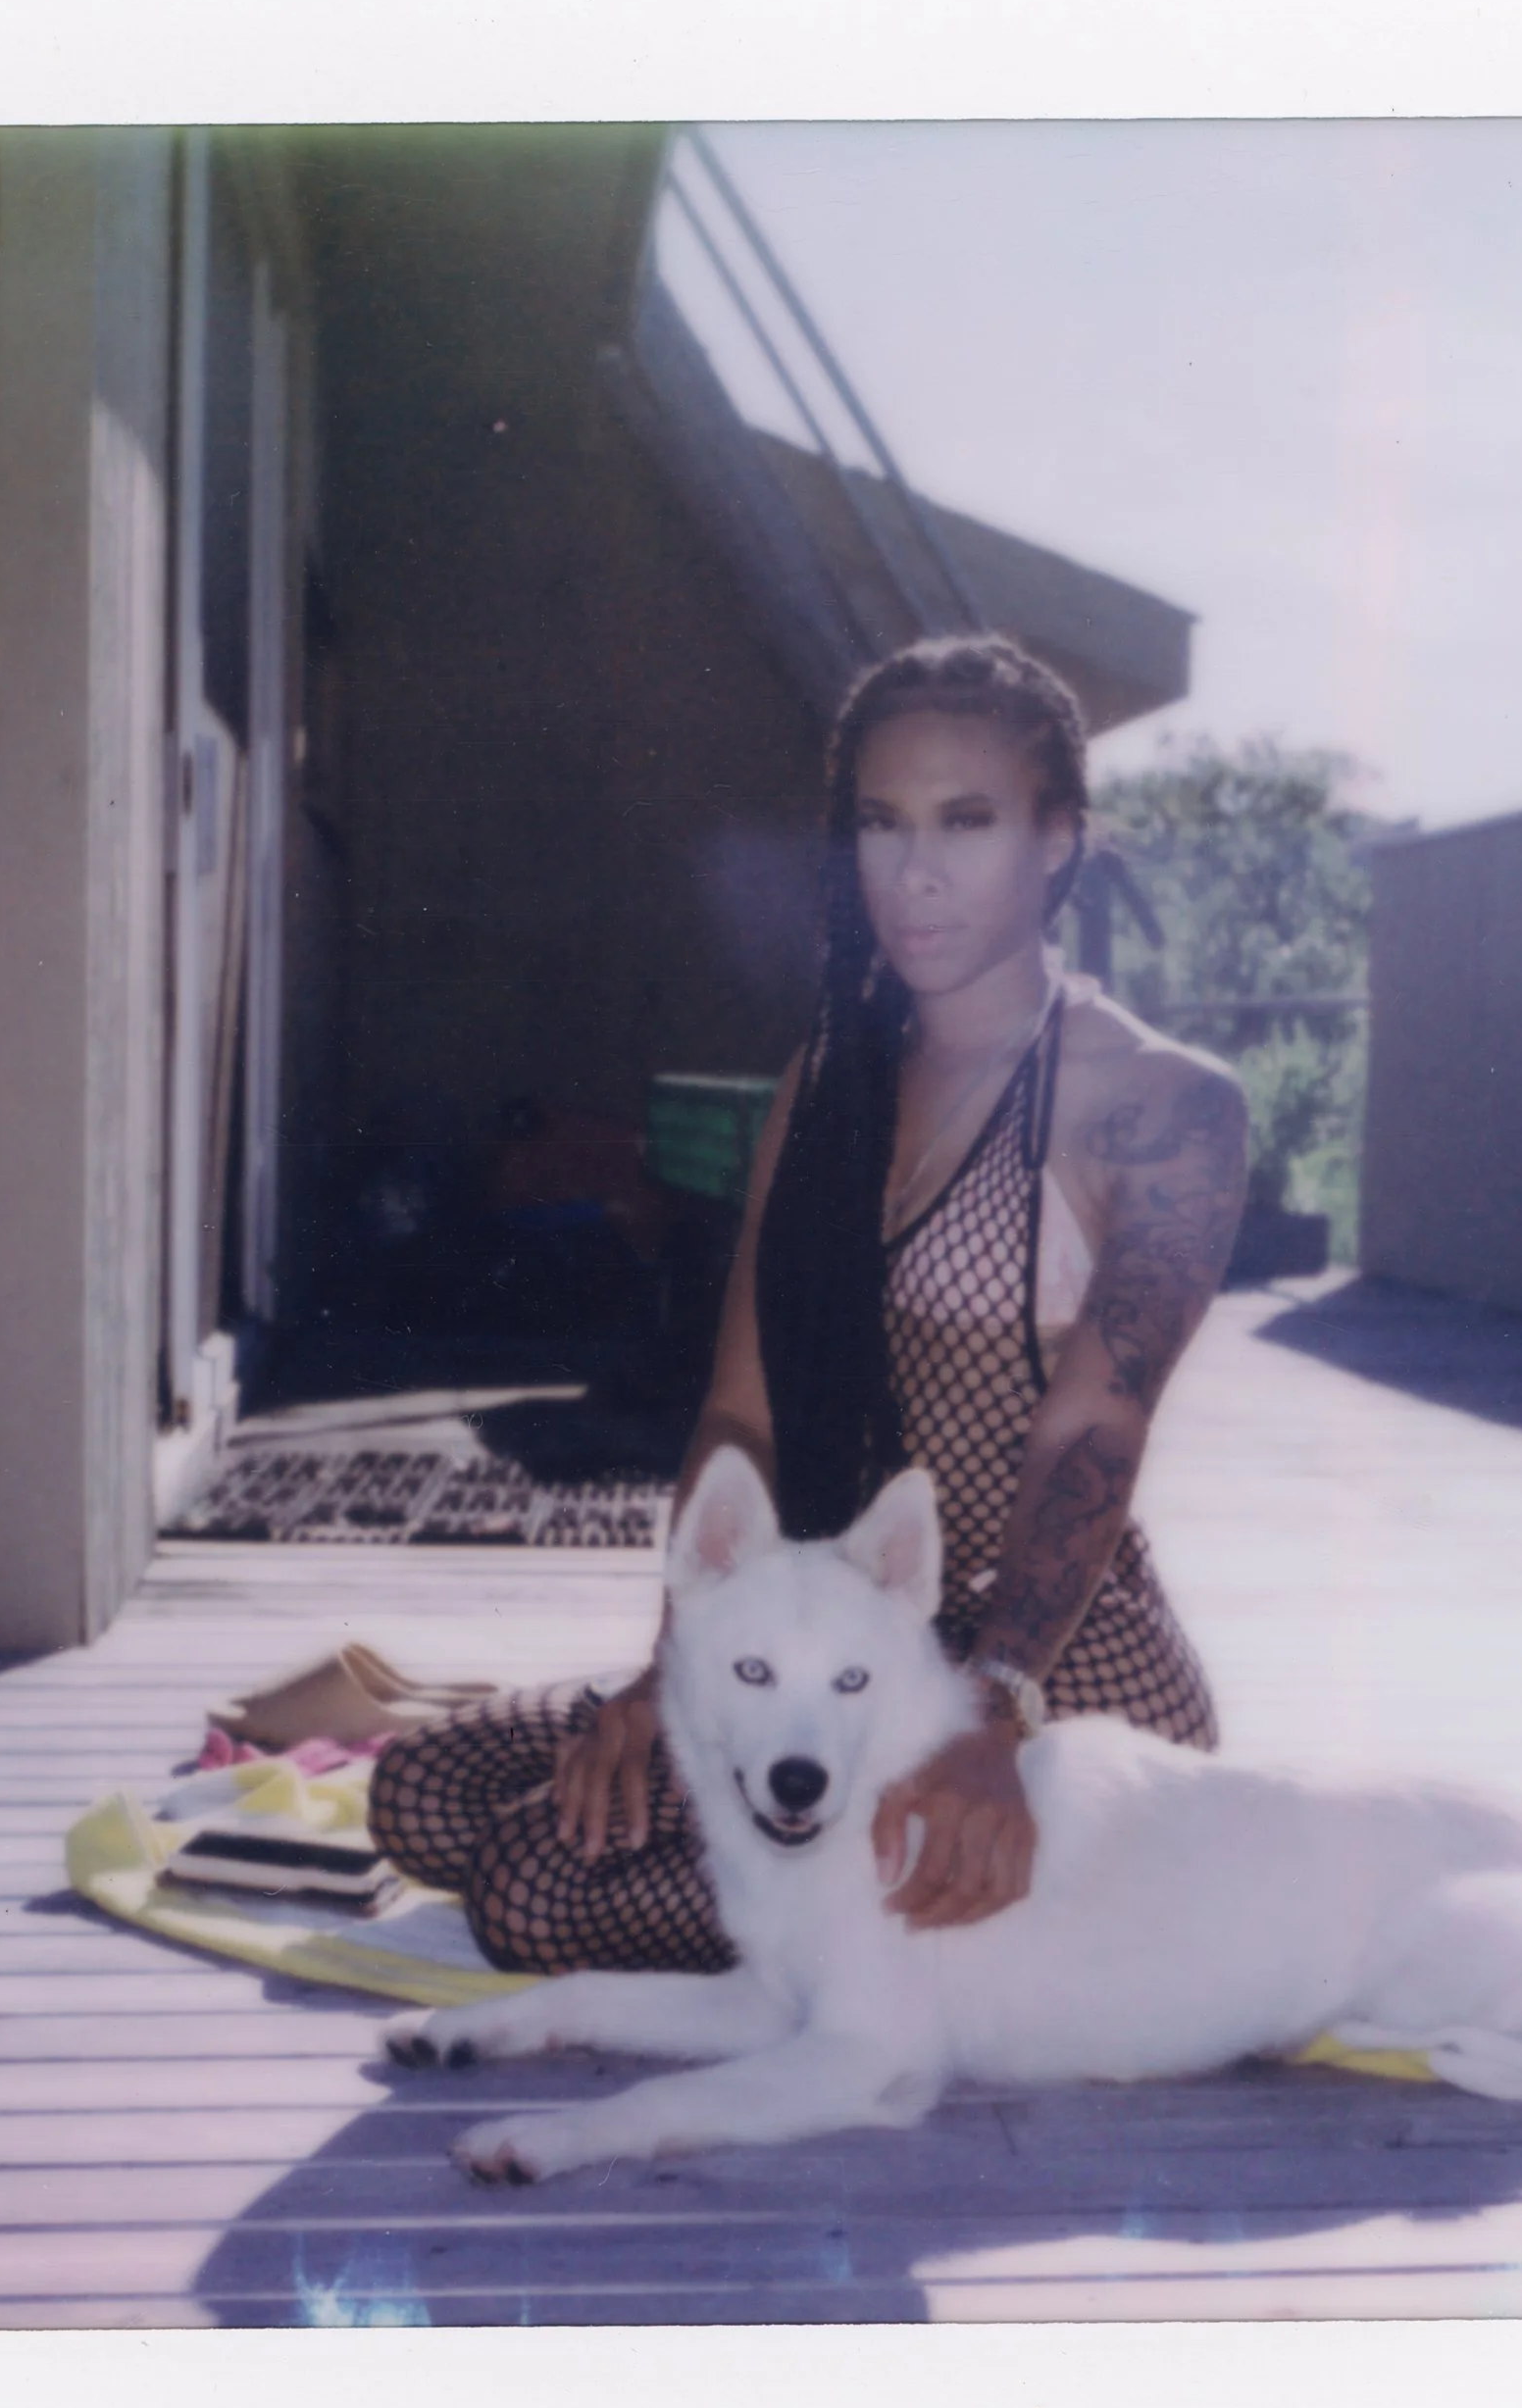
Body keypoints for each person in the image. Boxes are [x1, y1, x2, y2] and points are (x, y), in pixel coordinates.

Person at [368, 633, 1247, 1969]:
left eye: (968, 821)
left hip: (1053, 1660)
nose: (917, 872)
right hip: (831, 1630)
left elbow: (1093, 1432)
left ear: (1058, 840)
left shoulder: (1162, 1105)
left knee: (532, 1894)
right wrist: (681, 1674)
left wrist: (990, 1719)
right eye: (880, 825)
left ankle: (973, 1906)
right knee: (420, 1795)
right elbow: (742, 1417)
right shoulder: (824, 1085)